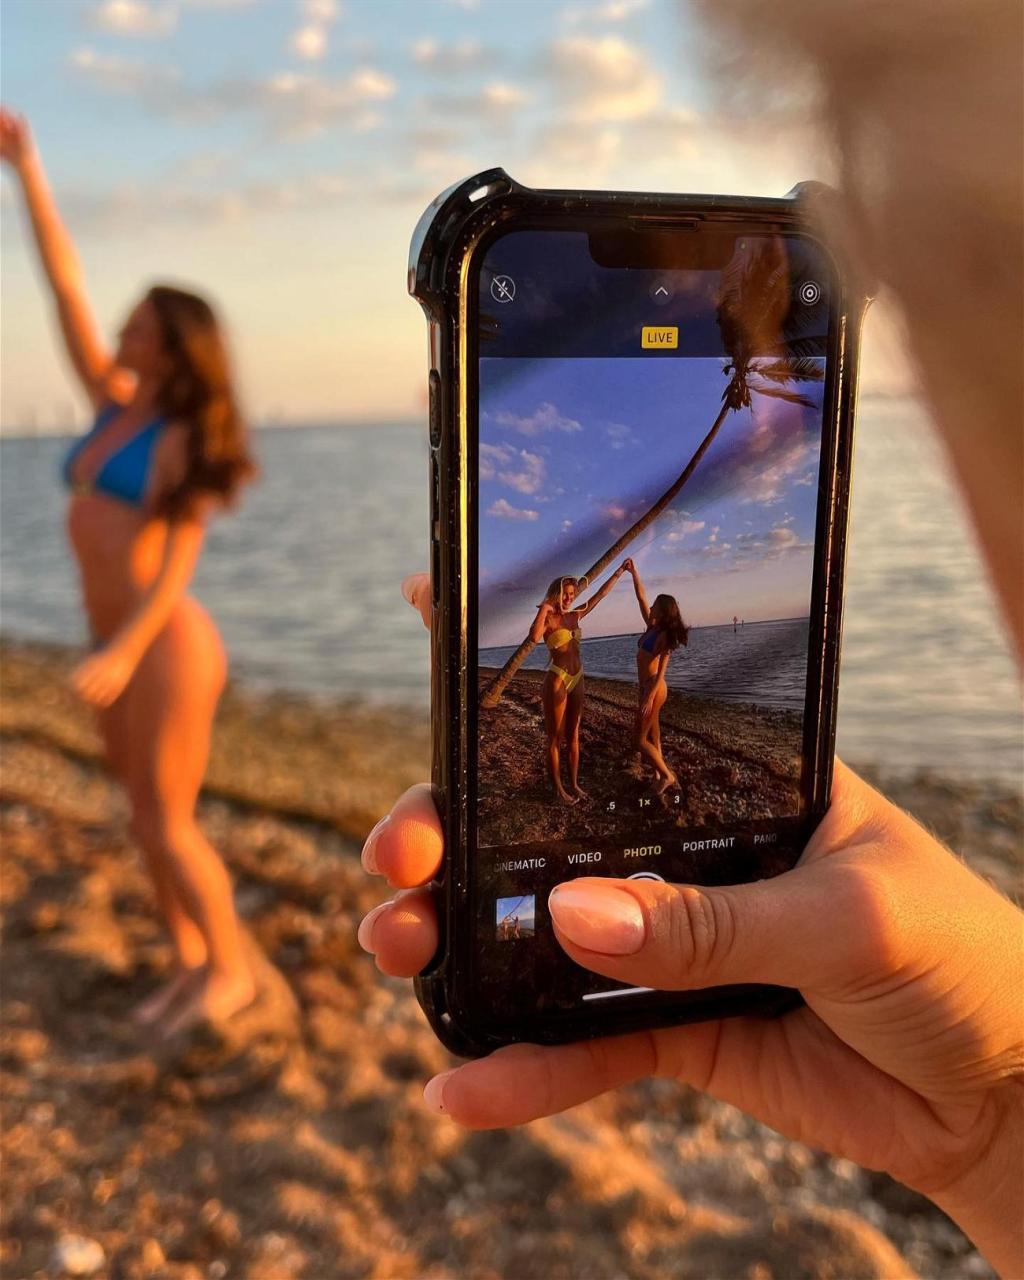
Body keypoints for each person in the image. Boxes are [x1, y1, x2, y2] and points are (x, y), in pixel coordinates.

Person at [367, 0, 1023, 1268]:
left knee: (630, 755)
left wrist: (997, 1121)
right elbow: (600, 609)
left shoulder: (640, 637)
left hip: (605, 684)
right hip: (576, 681)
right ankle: (579, 784)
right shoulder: (599, 622)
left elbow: (625, 615)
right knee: (575, 753)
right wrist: (993, 1123)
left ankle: (594, 786)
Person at [1, 109, 258, 1037]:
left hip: (160, 643)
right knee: (140, 816)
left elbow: (179, 559)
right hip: (113, 642)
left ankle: (229, 972)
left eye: (141, 323)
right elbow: (62, 283)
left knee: (167, 821)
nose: (122, 326)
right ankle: (189, 961)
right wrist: (25, 168)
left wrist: (121, 646)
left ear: (172, 345)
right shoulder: (112, 404)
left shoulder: (180, 436)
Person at [528, 566, 628, 805]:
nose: (569, 598)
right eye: (565, 593)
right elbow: (533, 637)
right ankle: (558, 790)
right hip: (558, 679)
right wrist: (544, 609)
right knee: (555, 737)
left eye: (572, 594)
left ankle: (573, 784)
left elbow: (599, 596)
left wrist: (619, 573)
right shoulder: (549, 618)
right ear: (556, 593)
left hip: (578, 677)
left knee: (574, 736)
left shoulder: (575, 615)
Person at [625, 559, 689, 794]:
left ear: (661, 613)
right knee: (653, 734)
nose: (649, 607)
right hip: (647, 687)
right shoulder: (652, 628)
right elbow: (641, 597)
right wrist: (634, 573)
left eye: (653, 606)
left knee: (638, 741)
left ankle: (667, 775)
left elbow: (662, 671)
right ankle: (657, 775)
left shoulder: (664, 637)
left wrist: (649, 696)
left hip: (655, 687)